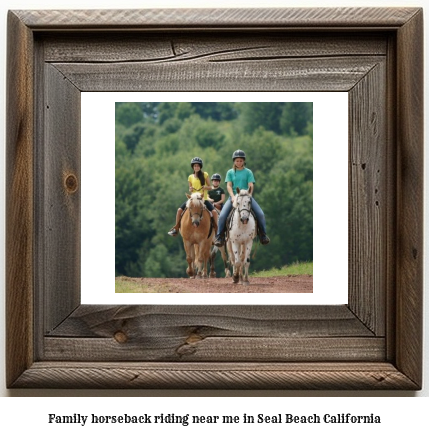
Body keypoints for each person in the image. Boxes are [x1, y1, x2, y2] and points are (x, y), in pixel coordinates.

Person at [213, 149, 270, 246]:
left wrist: (249, 196)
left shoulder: (248, 172)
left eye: (241, 160)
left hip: (247, 197)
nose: (239, 162)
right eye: (237, 161)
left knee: (260, 214)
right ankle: (219, 237)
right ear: (234, 161)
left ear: (244, 161)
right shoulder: (230, 172)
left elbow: (251, 185)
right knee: (222, 216)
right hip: (234, 197)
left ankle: (263, 235)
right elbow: (229, 186)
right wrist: (232, 197)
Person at [168, 157, 215, 237]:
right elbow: (190, 190)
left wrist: (205, 188)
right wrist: (190, 189)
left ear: (200, 167)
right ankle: (176, 228)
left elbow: (211, 187)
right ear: (193, 167)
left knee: (214, 212)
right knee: (179, 210)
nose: (196, 167)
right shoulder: (190, 177)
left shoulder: (205, 175)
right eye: (195, 166)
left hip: (203, 199)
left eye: (198, 166)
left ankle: (217, 230)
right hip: (193, 199)